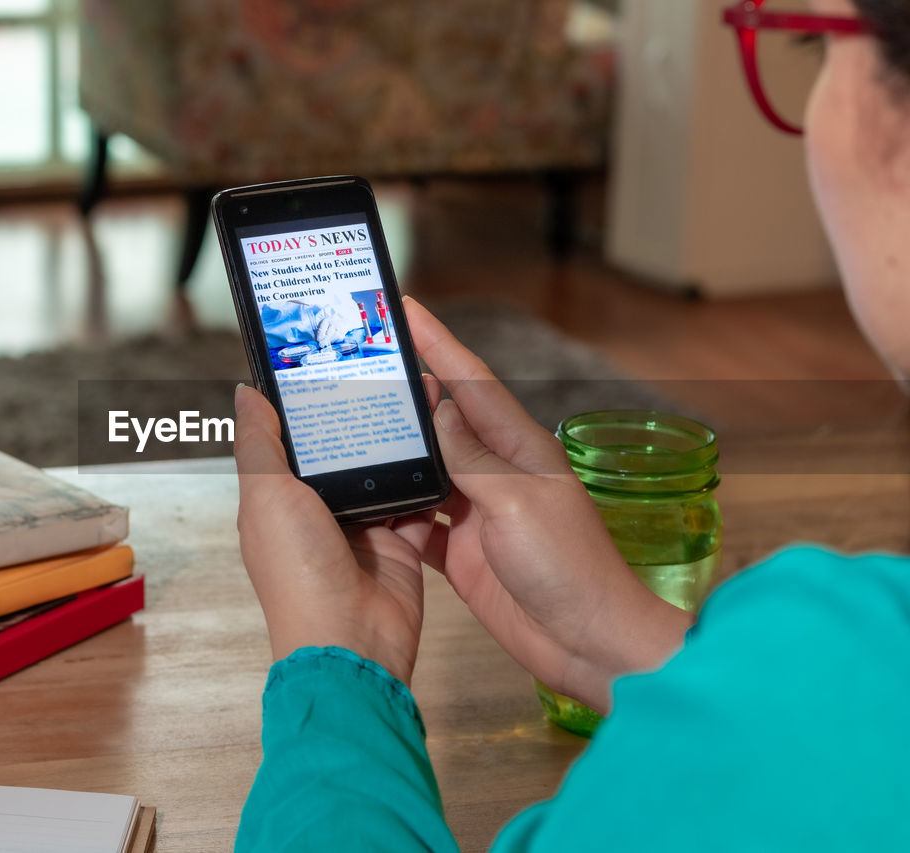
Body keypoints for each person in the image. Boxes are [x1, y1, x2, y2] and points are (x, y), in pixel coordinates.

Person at [232, 0, 910, 849]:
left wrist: (338, 663)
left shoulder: (829, 646)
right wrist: (614, 634)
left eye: (811, 43)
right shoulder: (858, 659)